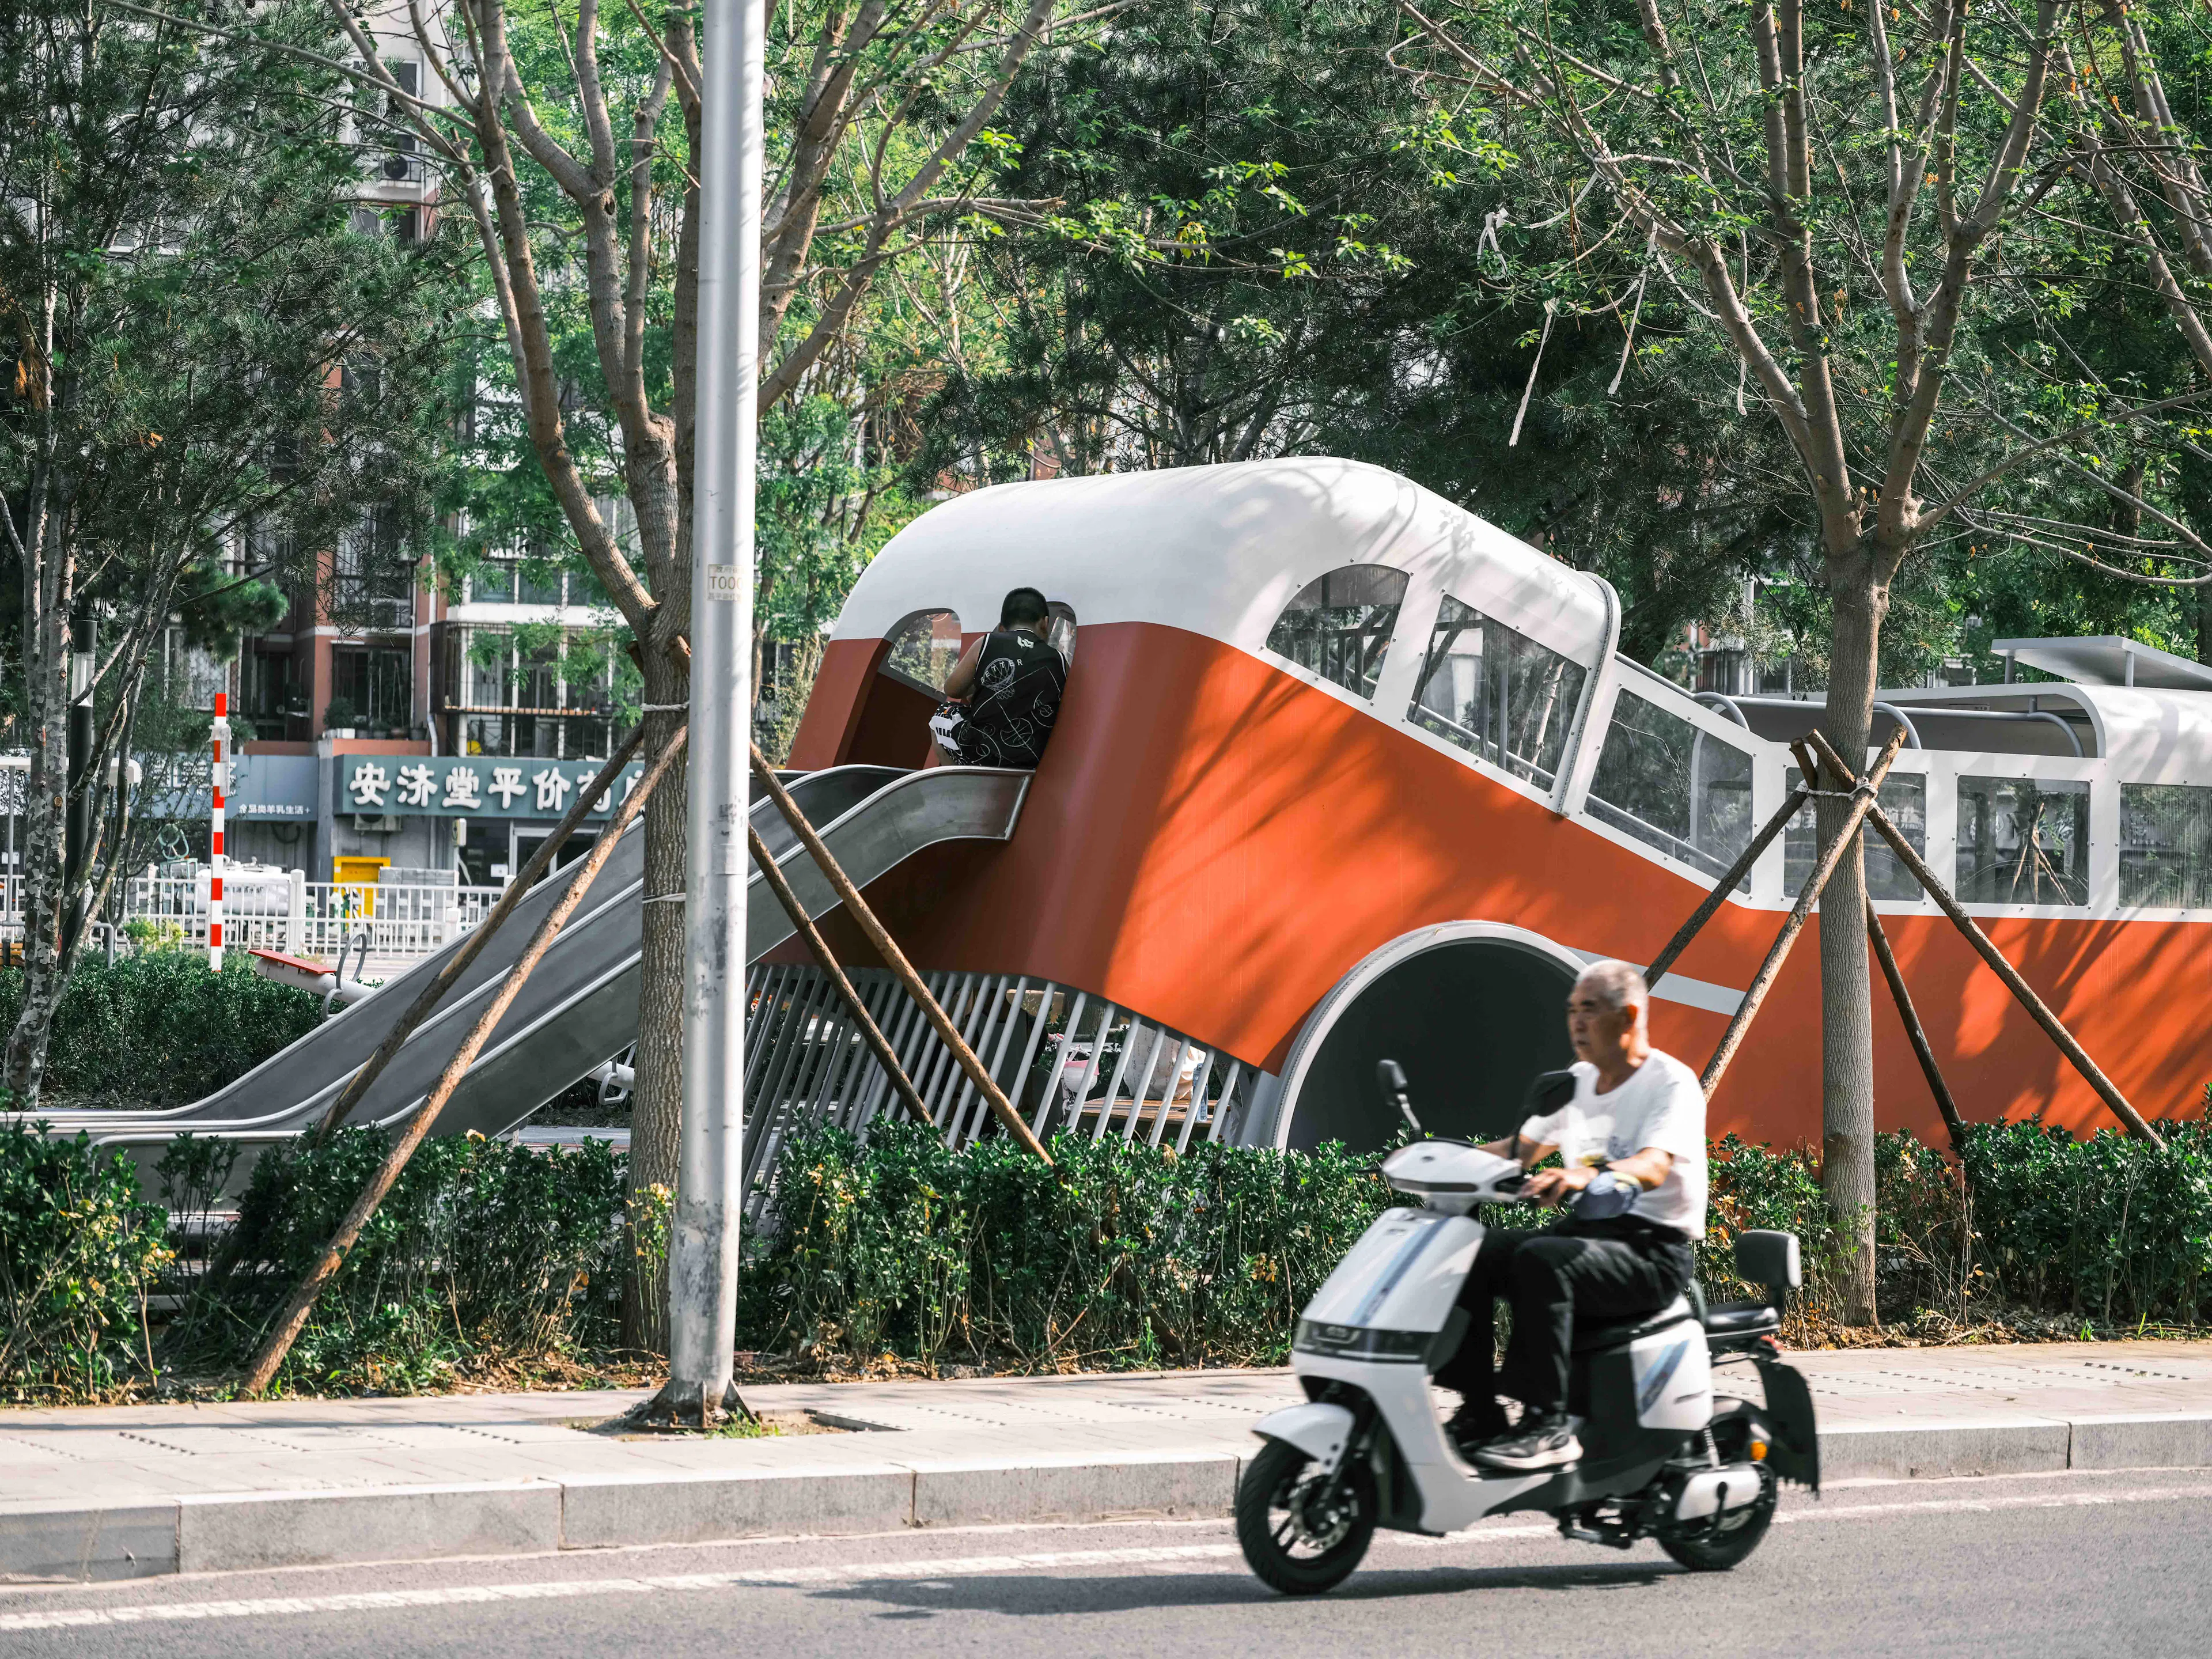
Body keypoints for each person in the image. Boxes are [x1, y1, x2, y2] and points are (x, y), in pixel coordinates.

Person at [1432, 959, 1707, 1472]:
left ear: (1628, 1016)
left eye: (1590, 1010)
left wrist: (1585, 1176)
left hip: (1652, 1250)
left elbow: (1653, 1164)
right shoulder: (1579, 1081)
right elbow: (1522, 1150)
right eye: (1572, 1011)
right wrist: (1440, 1162)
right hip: (1588, 1236)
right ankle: (1480, 1411)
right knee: (1470, 1248)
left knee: (1544, 1261)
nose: (1576, 1023)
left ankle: (1547, 1426)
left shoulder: (1671, 1083)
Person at [939, 586, 1068, 768]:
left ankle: (951, 778)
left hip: (981, 752)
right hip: (1030, 758)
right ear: (1045, 623)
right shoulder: (1059, 660)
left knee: (943, 713)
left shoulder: (987, 642)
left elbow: (952, 689)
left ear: (1001, 627)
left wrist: (979, 686)